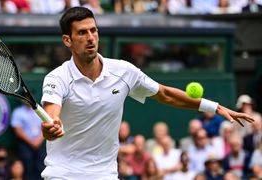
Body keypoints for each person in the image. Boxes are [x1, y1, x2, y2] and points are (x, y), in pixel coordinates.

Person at [40, 6, 255, 179]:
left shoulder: (124, 71)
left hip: (103, 173)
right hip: (62, 173)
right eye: (82, 32)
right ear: (67, 40)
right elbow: (52, 114)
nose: (90, 37)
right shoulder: (57, 78)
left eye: (93, 30)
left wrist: (215, 107)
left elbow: (165, 94)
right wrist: (51, 128)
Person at [11, 102, 46, 180]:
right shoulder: (18, 112)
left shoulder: (40, 110)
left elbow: (45, 125)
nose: (27, 100)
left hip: (40, 144)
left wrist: (38, 141)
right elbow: (18, 130)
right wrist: (31, 142)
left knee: (41, 167)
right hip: (25, 144)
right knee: (27, 167)